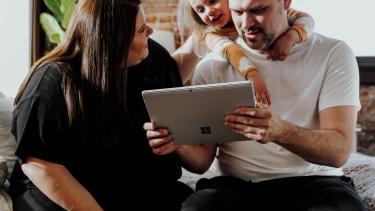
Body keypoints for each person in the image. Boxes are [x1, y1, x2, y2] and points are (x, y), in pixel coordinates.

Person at [144, 0, 367, 210]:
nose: (246, 24)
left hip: (316, 181)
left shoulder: (332, 53)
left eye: (258, 10)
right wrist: (178, 142)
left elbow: (339, 152)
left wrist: (280, 131)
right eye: (238, 13)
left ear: (286, 3)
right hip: (236, 185)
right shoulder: (211, 66)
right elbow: (202, 163)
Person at [9, 0, 195, 210]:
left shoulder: (150, 57)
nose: (150, 32)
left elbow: (174, 78)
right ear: (112, 42)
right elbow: (39, 165)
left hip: (123, 188)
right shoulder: (51, 82)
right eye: (141, 30)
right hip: (60, 192)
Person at [175, 0, 314, 104]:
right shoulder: (211, 34)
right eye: (200, 10)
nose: (209, 11)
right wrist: (252, 75)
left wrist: (291, 37)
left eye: (213, 1)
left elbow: (306, 19)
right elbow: (231, 51)